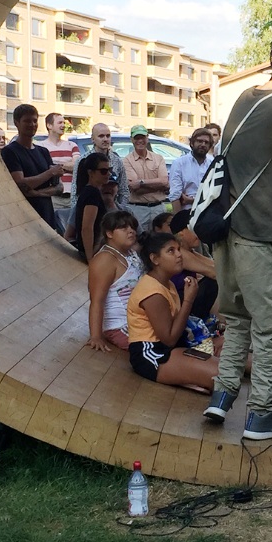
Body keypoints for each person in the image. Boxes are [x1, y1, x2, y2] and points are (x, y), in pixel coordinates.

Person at [203, 38, 272, 441]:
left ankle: (222, 395)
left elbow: (252, 158)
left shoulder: (244, 99)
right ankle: (261, 414)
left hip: (225, 235)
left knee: (237, 319)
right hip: (257, 234)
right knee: (270, 324)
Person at [127, 232, 222, 392]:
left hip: (173, 346)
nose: (179, 255)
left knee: (232, 364)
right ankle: (184, 378)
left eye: (178, 249)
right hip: (152, 353)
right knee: (222, 377)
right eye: (171, 251)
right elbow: (169, 339)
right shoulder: (152, 292)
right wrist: (188, 300)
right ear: (155, 259)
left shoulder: (166, 283)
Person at [1, 104, 69, 232]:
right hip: (24, 219)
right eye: (27, 121)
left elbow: (59, 187)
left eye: (34, 120)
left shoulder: (43, 152)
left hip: (47, 216)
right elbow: (20, 184)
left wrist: (36, 193)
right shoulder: (10, 151)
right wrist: (49, 173)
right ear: (16, 123)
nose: (32, 125)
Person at [84, 210, 141, 352]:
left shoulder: (130, 252)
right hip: (121, 326)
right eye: (123, 228)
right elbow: (97, 300)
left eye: (132, 227)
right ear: (109, 234)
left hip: (138, 321)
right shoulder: (105, 259)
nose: (131, 231)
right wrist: (96, 336)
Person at [169, 208, 218, 321]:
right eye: (193, 228)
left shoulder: (190, 252)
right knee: (215, 282)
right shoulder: (180, 253)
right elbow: (214, 273)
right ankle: (218, 321)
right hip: (181, 301)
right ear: (181, 233)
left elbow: (215, 265)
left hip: (188, 296)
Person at [72, 123, 129, 214]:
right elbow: (75, 191)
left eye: (108, 136)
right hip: (89, 210)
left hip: (112, 211)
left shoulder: (117, 161)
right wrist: (77, 213)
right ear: (93, 139)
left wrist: (120, 210)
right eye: (101, 136)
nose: (105, 139)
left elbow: (124, 190)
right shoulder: (83, 161)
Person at [66, 151, 112, 262]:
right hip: (93, 251)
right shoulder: (92, 193)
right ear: (91, 173)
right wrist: (90, 258)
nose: (108, 174)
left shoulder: (90, 192)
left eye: (109, 170)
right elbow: (87, 228)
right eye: (103, 171)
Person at [122, 125, 170, 233]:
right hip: (138, 209)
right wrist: (158, 187)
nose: (140, 141)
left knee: (162, 241)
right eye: (136, 138)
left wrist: (141, 182)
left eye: (142, 137)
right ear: (131, 139)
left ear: (147, 138)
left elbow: (165, 182)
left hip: (159, 208)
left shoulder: (158, 158)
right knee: (140, 240)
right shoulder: (126, 161)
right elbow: (135, 189)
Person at [43, 112, 79, 231]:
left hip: (72, 197)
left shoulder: (72, 145)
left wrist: (55, 165)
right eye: (60, 122)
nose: (63, 125)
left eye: (64, 122)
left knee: (72, 230)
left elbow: (77, 166)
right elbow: (45, 168)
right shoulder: (41, 147)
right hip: (54, 198)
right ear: (49, 125)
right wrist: (66, 164)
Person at [168, 127, 215, 211]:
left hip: (208, 212)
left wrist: (192, 200)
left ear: (210, 146)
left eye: (206, 142)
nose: (203, 145)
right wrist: (179, 220)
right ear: (192, 143)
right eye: (199, 141)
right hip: (186, 212)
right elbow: (175, 195)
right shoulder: (179, 163)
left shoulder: (213, 164)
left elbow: (215, 193)